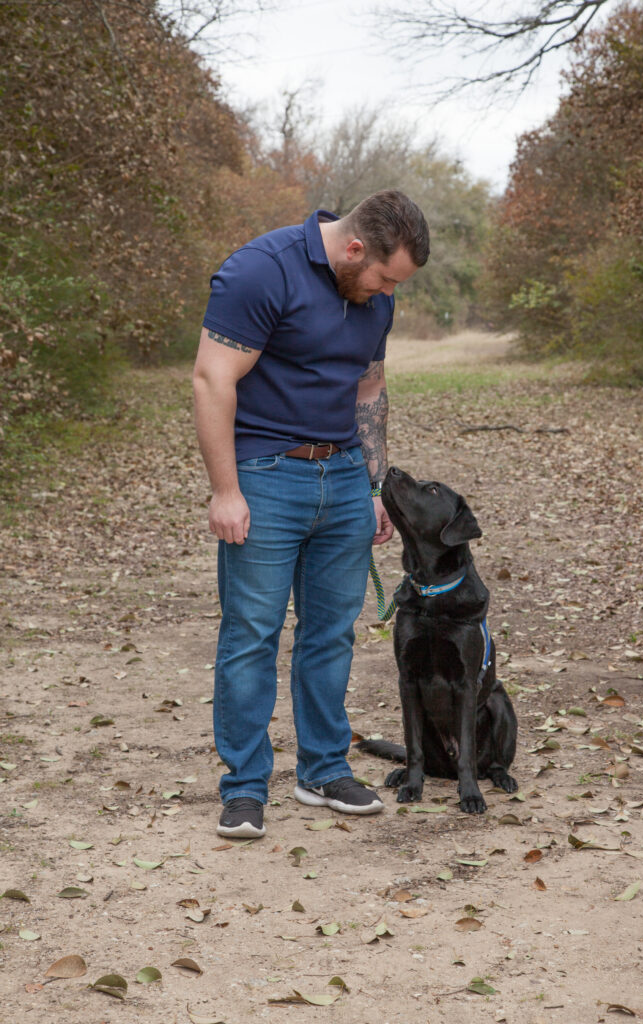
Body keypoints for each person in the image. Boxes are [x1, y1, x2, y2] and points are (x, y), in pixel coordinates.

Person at [193, 190, 429, 839]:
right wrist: (225, 491)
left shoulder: (375, 294)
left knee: (330, 634)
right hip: (266, 477)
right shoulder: (258, 272)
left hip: (345, 477)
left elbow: (370, 386)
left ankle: (322, 769)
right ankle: (244, 787)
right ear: (354, 249)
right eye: (383, 277)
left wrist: (375, 485)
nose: (385, 292)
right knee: (251, 635)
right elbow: (213, 379)